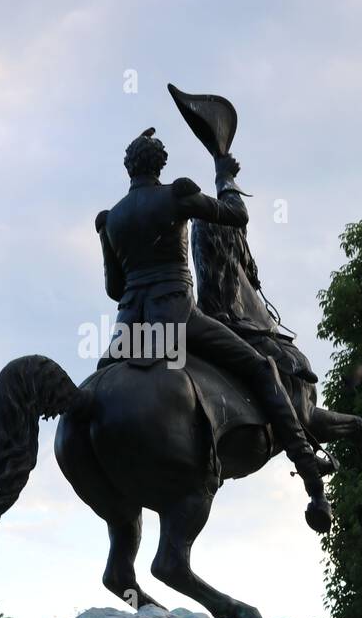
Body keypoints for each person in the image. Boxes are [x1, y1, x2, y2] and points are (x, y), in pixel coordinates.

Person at [94, 128, 332, 533]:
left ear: (128, 167)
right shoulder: (177, 194)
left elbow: (114, 288)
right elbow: (237, 217)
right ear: (160, 164)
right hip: (176, 320)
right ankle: (309, 471)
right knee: (261, 368)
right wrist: (225, 176)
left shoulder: (109, 219)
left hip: (128, 334)